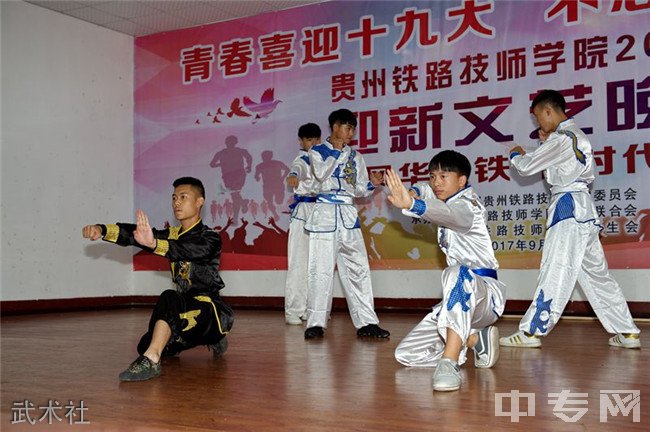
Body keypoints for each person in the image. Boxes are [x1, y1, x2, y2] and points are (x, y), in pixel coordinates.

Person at [500, 89, 640, 349]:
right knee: (597, 274)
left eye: (538, 118)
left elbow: (526, 166)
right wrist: (545, 143)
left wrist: (516, 153)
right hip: (584, 211)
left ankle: (532, 331)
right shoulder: (576, 136)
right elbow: (561, 166)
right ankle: (627, 331)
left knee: (556, 268)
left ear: (548, 111)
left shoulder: (562, 138)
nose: (539, 124)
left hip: (567, 209)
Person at [82, 177, 235, 381]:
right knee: (144, 344)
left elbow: (184, 249)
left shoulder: (210, 238)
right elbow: (133, 234)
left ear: (200, 202)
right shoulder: (171, 234)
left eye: (183, 197)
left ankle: (155, 359)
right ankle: (162, 347)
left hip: (209, 311)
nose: (176, 203)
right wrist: (102, 229)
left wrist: (154, 244)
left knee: (168, 298)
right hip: (183, 309)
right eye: (173, 198)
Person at [384, 150, 505, 392]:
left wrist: (412, 204)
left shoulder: (468, 206)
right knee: (407, 354)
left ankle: (449, 362)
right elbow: (426, 190)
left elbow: (446, 214)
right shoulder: (447, 196)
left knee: (455, 272)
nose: (436, 182)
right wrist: (415, 192)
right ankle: (474, 340)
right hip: (458, 300)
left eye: (443, 176)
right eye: (433, 176)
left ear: (462, 180)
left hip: (485, 297)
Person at [303, 109, 389, 339]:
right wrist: (337, 152)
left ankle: (367, 322)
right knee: (320, 270)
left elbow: (359, 189)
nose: (350, 133)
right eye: (346, 127)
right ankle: (316, 322)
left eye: (353, 128)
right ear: (334, 127)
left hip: (348, 216)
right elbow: (321, 175)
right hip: (324, 215)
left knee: (358, 269)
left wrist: (372, 184)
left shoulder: (356, 156)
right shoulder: (318, 151)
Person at [285, 123, 321, 325]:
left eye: (314, 139)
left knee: (318, 264)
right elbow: (297, 169)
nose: (311, 143)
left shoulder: (325, 158)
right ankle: (293, 309)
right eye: (307, 140)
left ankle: (312, 308)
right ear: (301, 141)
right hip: (303, 212)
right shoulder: (301, 158)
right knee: (299, 261)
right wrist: (293, 175)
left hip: (321, 213)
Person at [210, 135, 252, 222]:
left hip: (234, 175)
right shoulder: (224, 152)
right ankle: (242, 203)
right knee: (235, 195)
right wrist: (249, 166)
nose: (229, 143)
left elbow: (212, 164)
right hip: (231, 175)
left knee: (234, 195)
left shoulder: (223, 153)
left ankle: (236, 217)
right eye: (229, 142)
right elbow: (212, 164)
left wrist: (249, 166)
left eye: (230, 142)